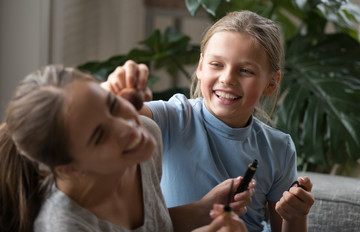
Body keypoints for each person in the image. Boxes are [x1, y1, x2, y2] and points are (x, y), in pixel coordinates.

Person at [103, 10, 315, 232]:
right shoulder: (173, 117)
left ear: (272, 83)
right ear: (201, 67)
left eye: (245, 70)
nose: (227, 78)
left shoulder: (279, 148)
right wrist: (113, 89)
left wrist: (296, 216)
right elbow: (108, 117)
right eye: (217, 64)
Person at [0, 65, 248, 232]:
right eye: (100, 135)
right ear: (71, 168)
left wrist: (202, 210)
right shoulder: (65, 225)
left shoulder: (145, 141)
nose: (129, 127)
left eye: (111, 105)